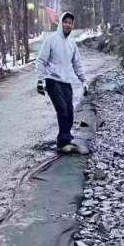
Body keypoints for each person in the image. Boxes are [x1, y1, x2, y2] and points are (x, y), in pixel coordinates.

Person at [35, 11, 88, 153]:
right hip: (52, 80)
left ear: (72, 25)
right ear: (60, 23)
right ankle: (62, 142)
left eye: (70, 23)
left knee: (70, 111)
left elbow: (77, 64)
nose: (67, 25)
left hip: (66, 81)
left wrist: (84, 81)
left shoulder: (72, 44)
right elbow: (41, 61)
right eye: (65, 22)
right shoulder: (51, 40)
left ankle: (66, 140)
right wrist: (40, 80)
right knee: (62, 109)